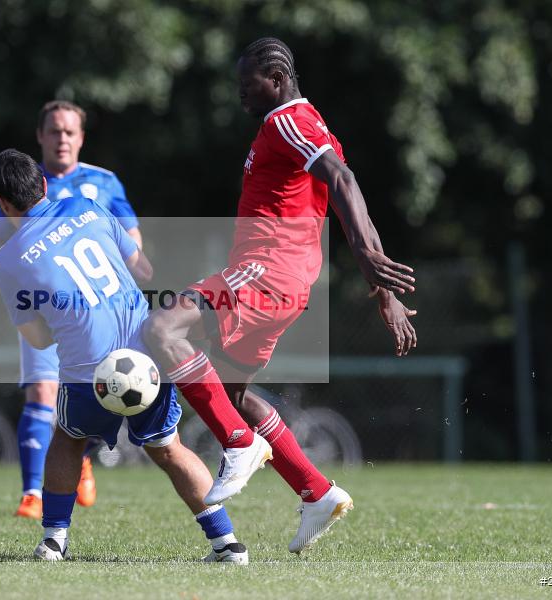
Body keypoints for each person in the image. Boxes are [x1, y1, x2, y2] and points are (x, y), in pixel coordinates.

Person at [143, 37, 418, 554]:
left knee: (163, 328)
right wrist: (381, 288)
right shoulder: (308, 127)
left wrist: (364, 260)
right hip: (287, 281)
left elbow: (343, 180)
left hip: (265, 271)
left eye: (248, 85)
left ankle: (238, 444)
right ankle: (315, 490)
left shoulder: (286, 121)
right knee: (234, 390)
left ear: (277, 79)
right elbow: (344, 190)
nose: (241, 95)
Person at [0, 148, 250, 563]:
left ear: (2, 204)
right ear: (43, 185)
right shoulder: (87, 207)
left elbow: (36, 339)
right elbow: (143, 270)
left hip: (87, 373)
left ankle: (54, 539)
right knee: (168, 447)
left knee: (69, 439)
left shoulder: (8, 261)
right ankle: (227, 544)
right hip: (146, 357)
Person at [0, 100, 143, 519]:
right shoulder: (21, 183)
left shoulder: (102, 184)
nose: (62, 138)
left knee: (109, 390)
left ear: (81, 138)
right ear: (41, 136)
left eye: (70, 131)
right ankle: (33, 493)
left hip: (95, 312)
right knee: (43, 391)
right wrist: (14, 277)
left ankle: (79, 456)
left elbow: (132, 243)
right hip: (46, 310)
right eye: (54, 131)